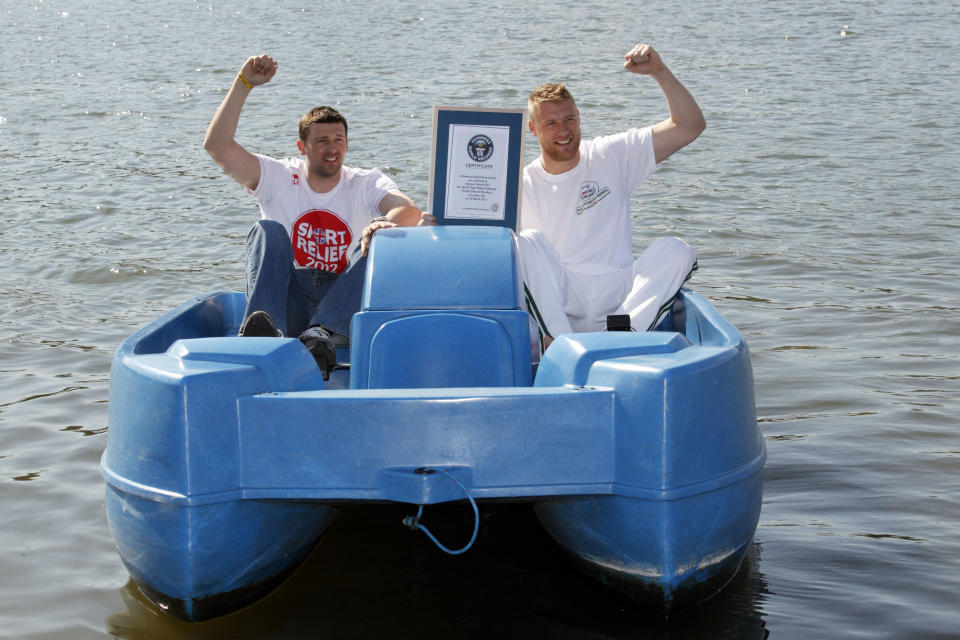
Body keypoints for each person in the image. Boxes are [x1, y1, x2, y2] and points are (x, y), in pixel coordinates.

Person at [203, 54, 433, 373]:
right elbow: (218, 147)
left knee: (382, 239)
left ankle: (322, 333)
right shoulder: (279, 176)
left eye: (338, 139)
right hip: (290, 298)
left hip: (342, 304)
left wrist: (383, 223)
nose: (332, 147)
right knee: (266, 231)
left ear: (347, 145)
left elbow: (406, 209)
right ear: (302, 147)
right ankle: (264, 332)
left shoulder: (366, 181)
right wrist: (243, 85)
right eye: (322, 140)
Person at [516, 43, 706, 350]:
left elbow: (690, 126)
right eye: (550, 123)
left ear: (579, 116)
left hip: (620, 296)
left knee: (676, 250)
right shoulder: (519, 182)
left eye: (569, 119)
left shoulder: (611, 154)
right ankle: (564, 348)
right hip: (560, 298)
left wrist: (659, 71)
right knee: (526, 242)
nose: (563, 131)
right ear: (533, 129)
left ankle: (620, 342)